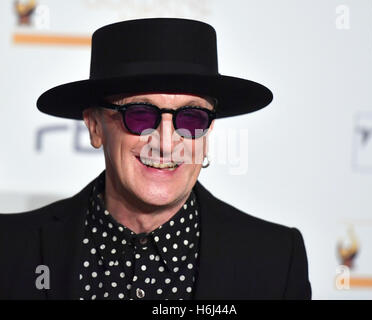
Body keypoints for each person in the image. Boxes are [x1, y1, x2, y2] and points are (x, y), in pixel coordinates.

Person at [0, 18, 311, 300]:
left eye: (191, 118)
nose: (165, 143)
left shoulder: (275, 262)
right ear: (95, 126)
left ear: (208, 128)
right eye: (139, 114)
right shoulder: (11, 249)